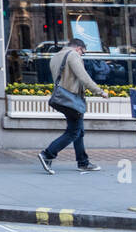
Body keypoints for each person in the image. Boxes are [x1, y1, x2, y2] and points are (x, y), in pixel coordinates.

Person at [39, 38, 109, 174]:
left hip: (63, 98)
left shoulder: (56, 56)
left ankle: (83, 162)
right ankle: (47, 154)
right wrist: (99, 91)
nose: (82, 55)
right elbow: (83, 77)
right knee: (73, 132)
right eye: (83, 52)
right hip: (72, 99)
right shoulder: (72, 55)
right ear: (78, 48)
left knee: (78, 131)